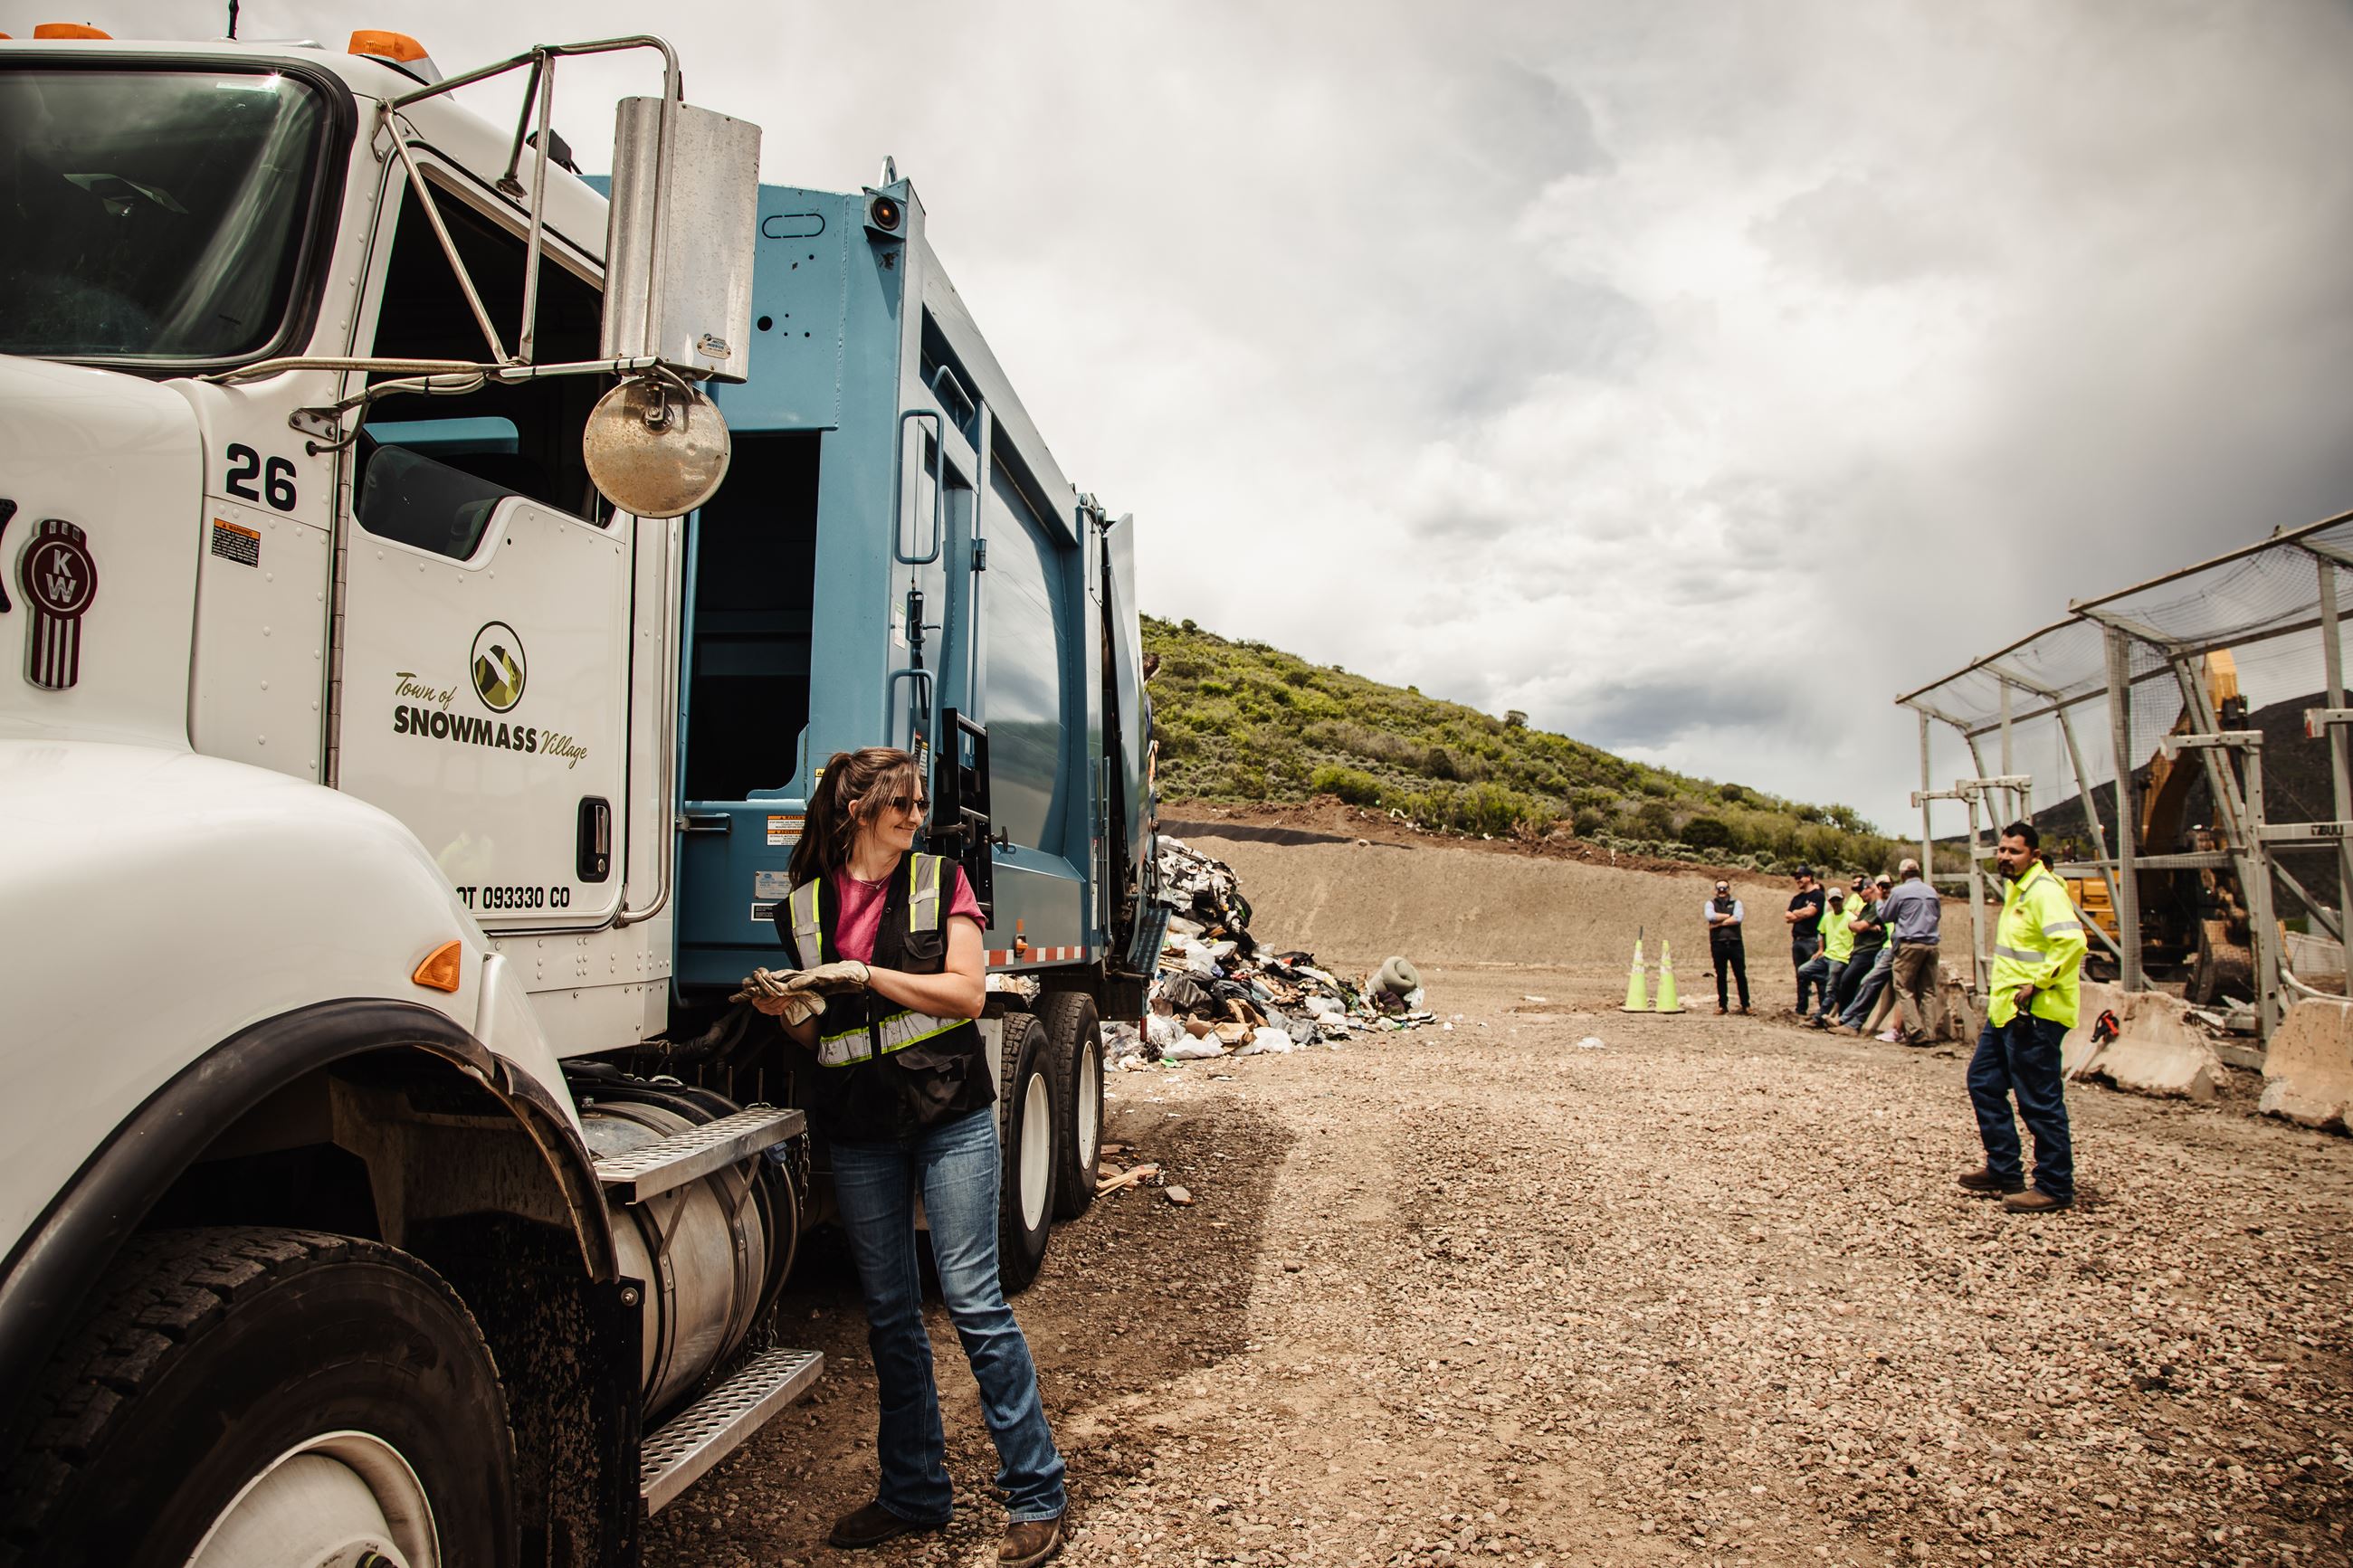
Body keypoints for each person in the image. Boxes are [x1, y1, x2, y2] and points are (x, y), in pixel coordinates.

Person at [749, 746, 1068, 1564]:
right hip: (859, 1127)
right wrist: (783, 1008)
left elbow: (966, 993)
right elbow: (819, 1033)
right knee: (890, 1315)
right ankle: (914, 1493)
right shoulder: (806, 905)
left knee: (972, 1300)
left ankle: (1036, 1491)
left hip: (947, 1115)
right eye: (902, 803)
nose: (917, 815)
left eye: (921, 803)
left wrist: (867, 971)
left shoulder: (940, 881)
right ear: (859, 810)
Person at [1958, 822, 2088, 1214]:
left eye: (2013, 851)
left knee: (2038, 1102)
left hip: (2036, 1014)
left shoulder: (2044, 891)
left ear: (2034, 854)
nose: (2004, 857)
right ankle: (2004, 1170)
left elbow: (2073, 941)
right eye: (2001, 850)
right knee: (1983, 1081)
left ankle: (2054, 1185)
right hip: (2008, 1013)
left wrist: (2039, 983)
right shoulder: (2020, 889)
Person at [1880, 858, 1943, 1044]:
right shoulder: (1931, 891)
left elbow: (1886, 916)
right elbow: (1937, 915)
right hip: (1931, 944)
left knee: (1903, 987)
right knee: (1928, 991)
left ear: (1902, 874)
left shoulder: (1899, 892)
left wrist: (1879, 902)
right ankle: (1930, 1034)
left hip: (1910, 944)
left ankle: (1915, 1031)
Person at [1838, 875, 1898, 1033]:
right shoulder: (1878, 904)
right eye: (1881, 886)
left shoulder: (1894, 900)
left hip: (1892, 949)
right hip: (1886, 948)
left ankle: (1846, 1019)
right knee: (1873, 987)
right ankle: (1853, 1023)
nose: (1884, 889)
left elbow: (1861, 925)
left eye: (1887, 885)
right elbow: (1856, 923)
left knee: (1871, 984)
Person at [1804, 888, 1853, 1026]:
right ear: (1829, 902)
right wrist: (1820, 949)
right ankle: (1826, 1007)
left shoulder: (1851, 918)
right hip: (1828, 955)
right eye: (1833, 900)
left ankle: (1819, 1018)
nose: (1836, 902)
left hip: (1841, 958)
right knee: (1803, 971)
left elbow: (1857, 936)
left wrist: (1851, 953)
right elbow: (1821, 932)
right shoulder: (1827, 917)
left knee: (1831, 988)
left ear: (1843, 899)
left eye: (1838, 899)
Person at [1785, 869, 1827, 1014]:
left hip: (1812, 940)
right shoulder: (1797, 898)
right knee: (1800, 976)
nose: (1797, 880)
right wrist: (1802, 913)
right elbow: (1788, 917)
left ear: (1809, 877)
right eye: (1796, 877)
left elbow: (1811, 912)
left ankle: (1823, 1010)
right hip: (1797, 940)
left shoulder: (1818, 896)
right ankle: (1801, 1008)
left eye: (1800, 877)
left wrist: (1797, 913)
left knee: (1818, 975)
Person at [1704, 879, 1749, 1015]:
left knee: (1740, 974)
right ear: (1715, 890)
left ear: (1729, 889)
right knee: (1721, 975)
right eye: (1719, 888)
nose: (1722, 891)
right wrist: (1729, 916)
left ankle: (1746, 1004)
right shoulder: (1710, 903)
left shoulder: (1737, 903)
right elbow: (1710, 916)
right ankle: (1722, 1005)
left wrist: (1719, 923)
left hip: (1735, 943)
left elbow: (1738, 918)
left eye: (1724, 888)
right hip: (1718, 943)